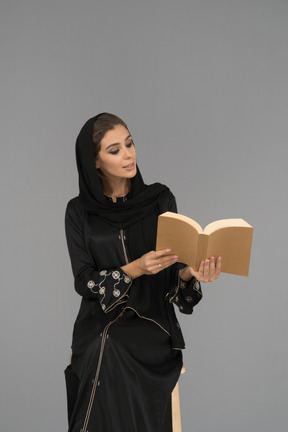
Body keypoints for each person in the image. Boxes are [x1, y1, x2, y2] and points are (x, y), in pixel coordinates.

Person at [64, 113, 221, 432]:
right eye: (115, 150)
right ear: (94, 161)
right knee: (106, 341)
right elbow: (84, 280)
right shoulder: (79, 212)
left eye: (130, 143)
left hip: (152, 320)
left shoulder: (159, 200)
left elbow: (177, 276)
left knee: (114, 345)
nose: (128, 154)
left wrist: (192, 273)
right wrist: (134, 269)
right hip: (99, 319)